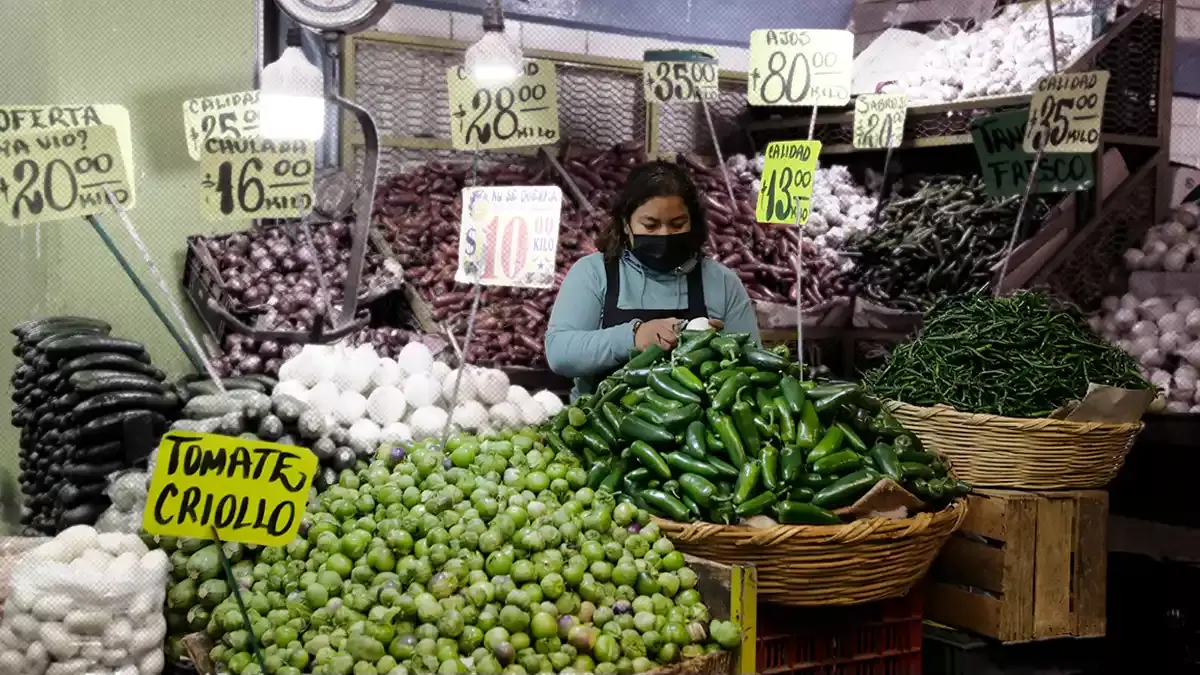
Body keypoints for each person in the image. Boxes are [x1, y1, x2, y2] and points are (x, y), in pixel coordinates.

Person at [545, 160, 760, 400]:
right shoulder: (593, 273)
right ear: (627, 225)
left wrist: (718, 347)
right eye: (650, 225)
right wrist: (634, 336)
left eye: (677, 224)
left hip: (695, 430)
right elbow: (560, 353)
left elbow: (753, 364)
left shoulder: (721, 282)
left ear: (693, 222)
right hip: (602, 428)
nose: (665, 234)